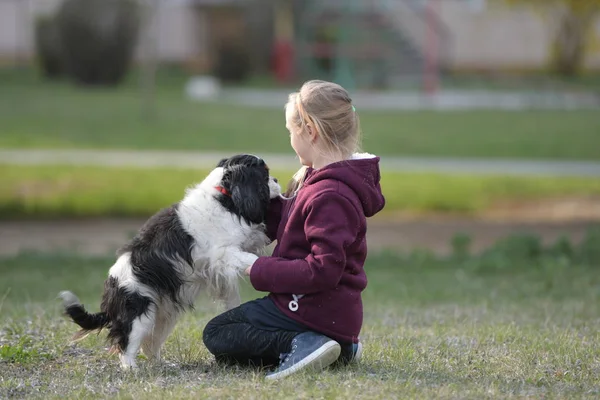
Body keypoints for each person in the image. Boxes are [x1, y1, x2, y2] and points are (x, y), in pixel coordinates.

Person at [202, 79, 385, 380]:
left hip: (307, 311)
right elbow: (288, 222)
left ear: (310, 131)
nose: (290, 139)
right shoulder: (316, 182)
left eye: (291, 131)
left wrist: (255, 267)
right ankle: (339, 347)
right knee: (227, 329)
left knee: (219, 332)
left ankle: (305, 344)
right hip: (333, 316)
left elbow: (323, 270)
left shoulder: (331, 195)